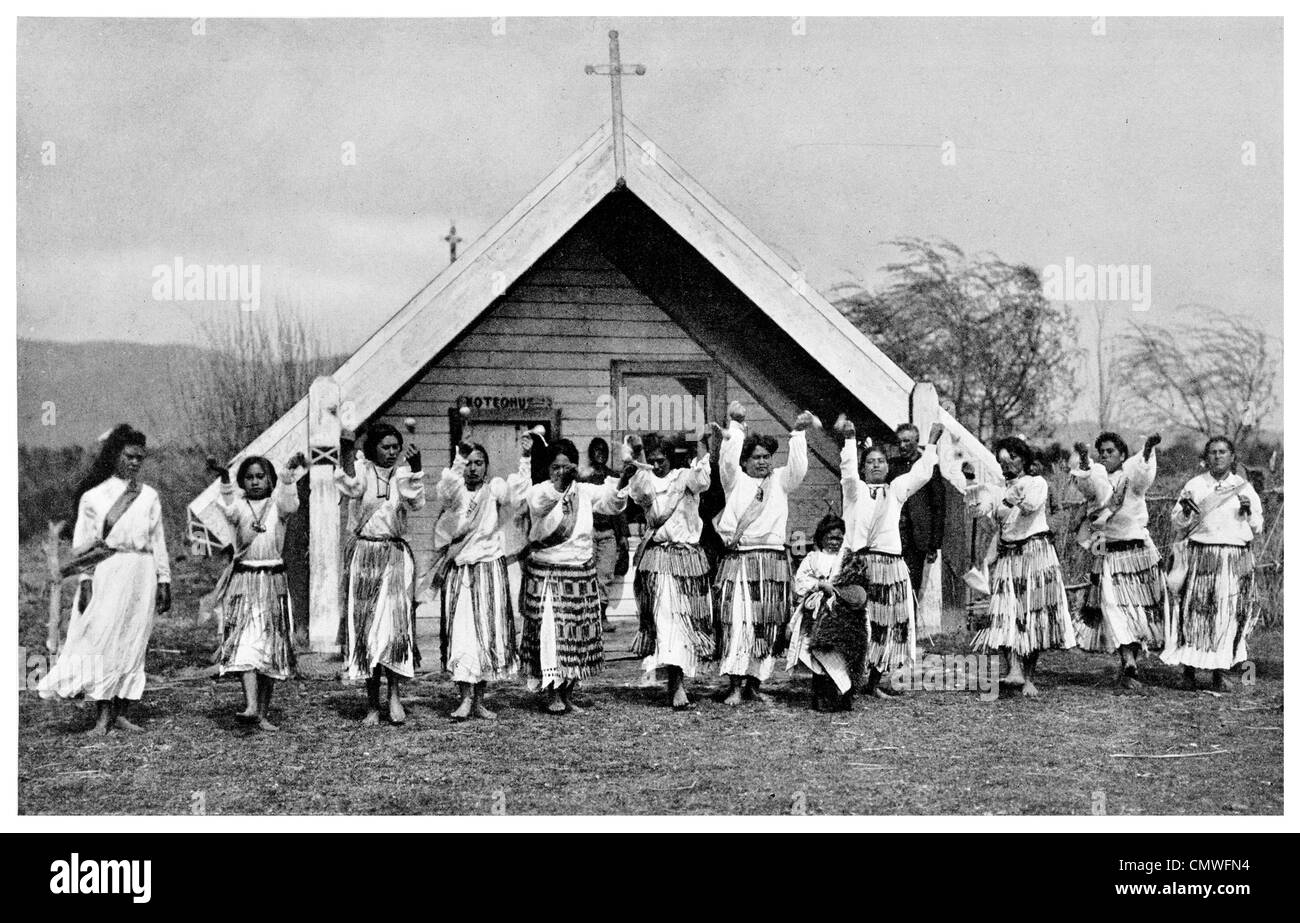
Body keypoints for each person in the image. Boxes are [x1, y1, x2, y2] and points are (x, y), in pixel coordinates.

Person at [39, 425, 172, 734]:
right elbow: (83, 546)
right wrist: (86, 581)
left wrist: (164, 579)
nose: (135, 463)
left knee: (133, 639)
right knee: (102, 639)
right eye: (129, 456)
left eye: (140, 457)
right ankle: (102, 716)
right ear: (115, 456)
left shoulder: (149, 496)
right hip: (109, 569)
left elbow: (158, 539)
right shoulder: (93, 497)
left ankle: (122, 712)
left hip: (142, 570)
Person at [710, 401, 815, 706]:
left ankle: (754, 683)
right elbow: (726, 463)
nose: (762, 462)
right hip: (740, 560)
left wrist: (797, 434)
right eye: (755, 457)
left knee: (766, 623)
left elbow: (799, 468)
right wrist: (737, 425)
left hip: (772, 562)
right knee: (737, 620)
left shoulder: (780, 480)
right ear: (746, 461)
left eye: (766, 457)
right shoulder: (735, 481)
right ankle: (734, 684)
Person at [832, 418, 944, 702]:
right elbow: (847, 473)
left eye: (881, 461)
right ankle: (849, 680)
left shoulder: (896, 490)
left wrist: (931, 442)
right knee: (859, 623)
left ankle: (874, 681)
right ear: (864, 466)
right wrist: (849, 439)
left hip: (890, 566)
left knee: (887, 625)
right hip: (860, 566)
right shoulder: (854, 490)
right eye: (870, 461)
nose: (877, 465)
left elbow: (921, 473)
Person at [520, 438, 633, 714]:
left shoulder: (583, 490)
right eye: (555, 467)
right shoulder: (540, 491)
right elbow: (539, 506)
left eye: (565, 467)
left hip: (579, 574)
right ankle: (552, 694)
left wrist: (623, 481)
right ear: (548, 469)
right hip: (549, 573)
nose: (560, 472)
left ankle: (567, 693)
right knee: (551, 637)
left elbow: (611, 503)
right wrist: (560, 486)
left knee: (576, 639)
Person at [966, 436, 1075, 696]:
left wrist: (1009, 497)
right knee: (1005, 612)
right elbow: (978, 510)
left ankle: (1028, 677)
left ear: (1024, 459)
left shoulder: (1037, 482)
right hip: (1009, 555)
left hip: (1036, 553)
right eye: (1002, 460)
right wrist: (971, 485)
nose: (1008, 464)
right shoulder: (995, 488)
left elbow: (1030, 507)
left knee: (1034, 615)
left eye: (1013, 458)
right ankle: (1013, 670)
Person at [207, 453, 306, 730]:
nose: (254, 482)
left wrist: (288, 474)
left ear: (270, 479)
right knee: (246, 644)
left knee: (270, 649)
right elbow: (226, 509)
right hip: (245, 582)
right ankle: (250, 705)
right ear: (242, 481)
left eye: (260, 476)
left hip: (273, 582)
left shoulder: (279, 508)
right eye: (249, 477)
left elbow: (290, 501)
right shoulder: (239, 507)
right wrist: (224, 480)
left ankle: (262, 713)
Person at [432, 440, 530, 721]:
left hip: (489, 569)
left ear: (486, 467)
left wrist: (524, 457)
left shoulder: (494, 489)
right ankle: (464, 699)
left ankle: (480, 701)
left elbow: (518, 494)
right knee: (462, 635)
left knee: (486, 635)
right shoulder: (456, 493)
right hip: (460, 571)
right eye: (469, 463)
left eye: (478, 463)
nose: (473, 469)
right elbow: (445, 488)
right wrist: (458, 459)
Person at [336, 422, 425, 725]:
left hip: (395, 559)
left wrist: (415, 467)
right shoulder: (362, 472)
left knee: (394, 631)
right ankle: (372, 704)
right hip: (365, 557)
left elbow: (417, 503)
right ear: (373, 448)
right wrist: (346, 451)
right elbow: (350, 487)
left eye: (395, 447)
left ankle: (395, 698)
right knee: (368, 632)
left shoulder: (402, 475)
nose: (391, 452)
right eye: (385, 447)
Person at [1162, 436, 1263, 691]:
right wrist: (1185, 511)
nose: (1218, 457)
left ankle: (1219, 673)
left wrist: (1248, 510)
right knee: (1194, 613)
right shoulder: (1195, 485)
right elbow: (1177, 523)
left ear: (1232, 457)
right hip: (1202, 555)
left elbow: (1257, 526)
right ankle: (1189, 672)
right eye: (1213, 453)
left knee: (1225, 615)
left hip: (1233, 558)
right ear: (1206, 458)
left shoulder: (1243, 488)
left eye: (1223, 452)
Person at [1069, 432, 1165, 689]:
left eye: (1111, 451)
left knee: (1136, 610)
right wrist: (1084, 459)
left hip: (1136, 551)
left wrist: (1147, 450)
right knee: (1112, 607)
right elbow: (1089, 487)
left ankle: (1131, 659)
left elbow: (1144, 475)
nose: (1106, 455)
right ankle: (1128, 661)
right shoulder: (1098, 479)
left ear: (1123, 455)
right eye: (1102, 452)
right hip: (1108, 552)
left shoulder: (1131, 476)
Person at [626, 432, 715, 710]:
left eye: (661, 459)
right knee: (667, 622)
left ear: (671, 458)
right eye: (651, 460)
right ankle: (675, 685)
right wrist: (639, 461)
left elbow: (703, 480)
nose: (657, 464)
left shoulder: (684, 477)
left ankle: (679, 682)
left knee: (687, 622)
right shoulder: (646, 480)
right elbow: (640, 492)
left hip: (687, 561)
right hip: (660, 560)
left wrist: (704, 448)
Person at [786, 514, 846, 710]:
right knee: (819, 652)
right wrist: (819, 585)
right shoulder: (813, 559)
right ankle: (821, 696)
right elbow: (800, 582)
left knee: (839, 654)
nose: (835, 542)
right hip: (817, 613)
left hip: (840, 613)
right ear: (822, 538)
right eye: (831, 538)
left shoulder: (845, 560)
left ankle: (840, 694)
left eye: (839, 538)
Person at [888, 423, 947, 597]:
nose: (902, 446)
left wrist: (934, 544)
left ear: (916, 442)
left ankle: (910, 623)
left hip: (917, 539)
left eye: (907, 441)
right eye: (899, 442)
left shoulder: (928, 467)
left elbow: (938, 506)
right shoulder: (891, 467)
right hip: (895, 535)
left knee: (912, 587)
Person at [579, 437, 629, 634]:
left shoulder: (613, 477)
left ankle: (601, 615)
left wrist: (624, 534)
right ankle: (586, 617)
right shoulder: (584, 476)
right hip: (589, 530)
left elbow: (620, 508)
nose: (600, 453)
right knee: (586, 574)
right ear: (591, 453)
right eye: (596, 450)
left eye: (604, 450)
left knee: (605, 575)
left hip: (608, 532)